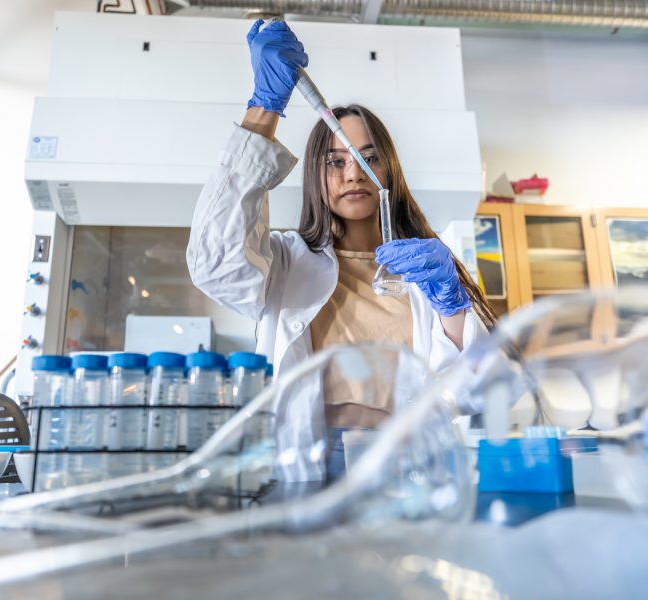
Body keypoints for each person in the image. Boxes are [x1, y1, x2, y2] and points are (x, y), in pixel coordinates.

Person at [187, 19, 495, 481]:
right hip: (308, 462)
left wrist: (452, 304)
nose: (353, 174)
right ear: (315, 174)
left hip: (406, 465)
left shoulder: (427, 270)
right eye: (336, 161)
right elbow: (214, 264)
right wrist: (264, 107)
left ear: (389, 170)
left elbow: (478, 388)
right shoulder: (285, 262)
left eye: (369, 158)